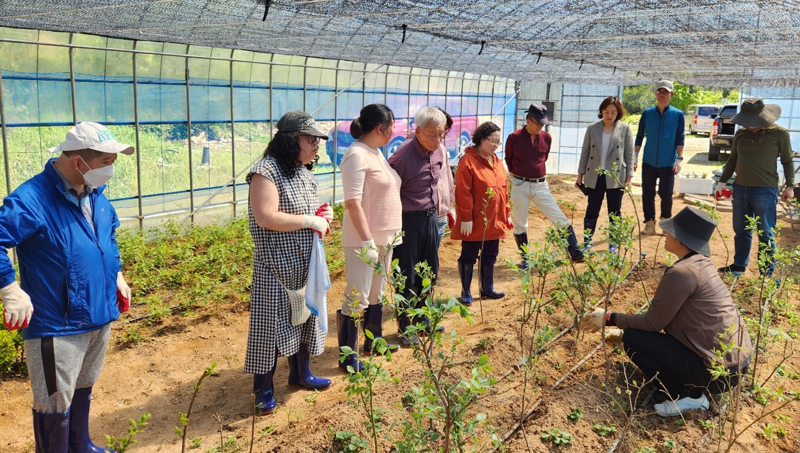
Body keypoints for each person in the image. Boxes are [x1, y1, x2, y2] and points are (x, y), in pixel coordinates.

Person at [0, 122, 133, 452]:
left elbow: (109, 237)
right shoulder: (33, 199)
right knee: (54, 401)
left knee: (83, 386)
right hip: (57, 325)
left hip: (97, 315)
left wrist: (116, 275)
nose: (111, 170)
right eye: (106, 162)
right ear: (78, 162)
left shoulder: (96, 196)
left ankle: (81, 445)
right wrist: (9, 288)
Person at [582, 206, 753, 417]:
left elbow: (653, 324)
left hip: (717, 373)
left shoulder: (682, 272)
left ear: (682, 240)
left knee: (634, 339)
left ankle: (688, 396)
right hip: (736, 366)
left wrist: (608, 318)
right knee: (637, 336)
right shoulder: (701, 264)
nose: (665, 233)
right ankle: (692, 385)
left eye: (670, 231)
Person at [246, 110, 332, 415]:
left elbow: (307, 213)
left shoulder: (304, 172)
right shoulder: (265, 172)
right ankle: (264, 388)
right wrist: (309, 219)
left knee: (306, 316)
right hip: (275, 265)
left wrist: (320, 216)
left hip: (303, 262)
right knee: (269, 326)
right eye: (310, 139)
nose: (316, 145)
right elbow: (266, 216)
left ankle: (300, 373)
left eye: (317, 139)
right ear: (289, 140)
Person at [338, 104, 403, 372]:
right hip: (363, 240)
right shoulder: (356, 155)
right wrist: (366, 242)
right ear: (381, 127)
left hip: (385, 237)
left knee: (377, 293)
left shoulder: (375, 153)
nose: (394, 131)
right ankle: (346, 358)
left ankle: (373, 342)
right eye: (392, 126)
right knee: (357, 297)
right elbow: (353, 202)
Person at [716, 98, 795, 276]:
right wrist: (722, 182)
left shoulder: (780, 134)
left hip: (765, 191)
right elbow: (732, 160)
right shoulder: (741, 134)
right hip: (740, 188)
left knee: (765, 233)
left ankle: (766, 272)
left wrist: (790, 185)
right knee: (741, 230)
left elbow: (787, 160)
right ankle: (738, 265)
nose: (750, 125)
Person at [388, 106, 447, 345]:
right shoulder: (402, 158)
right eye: (432, 134)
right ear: (418, 131)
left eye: (441, 134)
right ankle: (405, 327)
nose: (437, 139)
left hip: (430, 218)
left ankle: (423, 320)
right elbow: (388, 192)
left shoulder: (438, 151)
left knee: (429, 270)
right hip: (407, 221)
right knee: (406, 274)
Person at [506, 103, 583, 265]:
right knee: (520, 222)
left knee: (558, 216)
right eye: (538, 123)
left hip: (541, 185)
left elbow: (544, 158)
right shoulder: (514, 138)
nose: (541, 126)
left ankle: (575, 252)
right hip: (520, 185)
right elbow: (509, 159)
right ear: (528, 120)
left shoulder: (546, 138)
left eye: (543, 123)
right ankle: (525, 259)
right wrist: (518, 173)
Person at [452, 121, 511, 305]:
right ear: (480, 139)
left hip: (494, 218)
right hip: (475, 218)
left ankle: (487, 288)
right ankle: (466, 291)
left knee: (490, 254)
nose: (494, 145)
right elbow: (463, 191)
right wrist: (466, 217)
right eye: (491, 140)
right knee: (469, 254)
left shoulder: (497, 162)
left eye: (498, 142)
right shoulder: (468, 161)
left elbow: (504, 190)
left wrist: (506, 213)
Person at [576, 96, 634, 253]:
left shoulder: (625, 129)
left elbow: (629, 154)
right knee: (592, 209)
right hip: (595, 175)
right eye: (606, 111)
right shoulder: (592, 128)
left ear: (618, 113)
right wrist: (580, 174)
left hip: (616, 176)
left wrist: (629, 177)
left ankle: (613, 243)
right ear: (601, 111)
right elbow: (585, 152)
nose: (609, 115)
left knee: (614, 211)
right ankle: (588, 242)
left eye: (613, 112)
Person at [634, 80, 685, 235]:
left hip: (668, 162)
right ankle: (649, 223)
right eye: (659, 92)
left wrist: (679, 159)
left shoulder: (678, 115)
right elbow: (639, 135)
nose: (662, 95)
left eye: (665, 92)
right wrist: (635, 156)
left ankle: (665, 222)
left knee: (666, 194)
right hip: (649, 161)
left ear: (671, 94)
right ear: (655, 94)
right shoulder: (647, 113)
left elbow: (680, 137)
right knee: (647, 193)